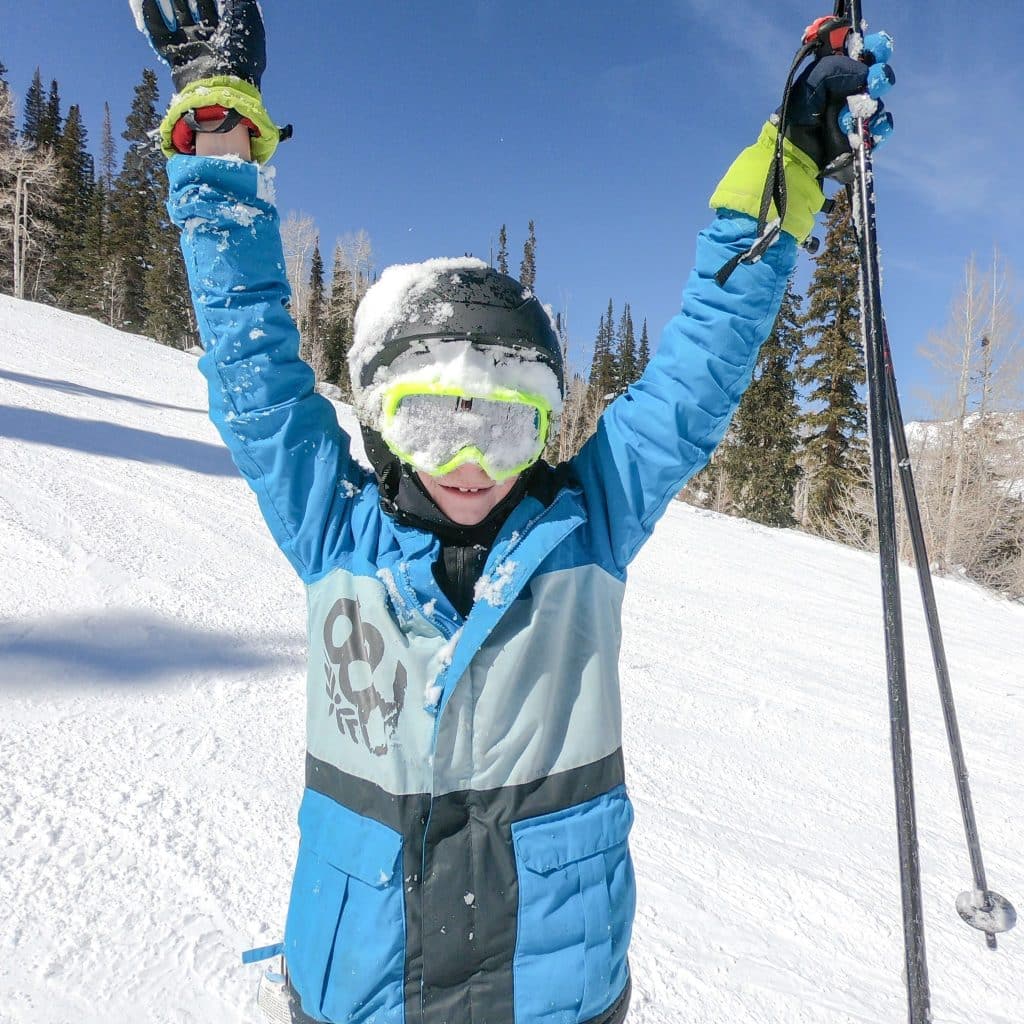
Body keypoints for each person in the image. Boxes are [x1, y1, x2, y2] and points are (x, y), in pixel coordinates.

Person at [131, 3, 894, 1022]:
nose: (467, 464)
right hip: (355, 996)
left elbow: (696, 371)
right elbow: (254, 368)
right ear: (377, 420)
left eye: (502, 426)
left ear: (546, 429)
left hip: (556, 999)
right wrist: (214, 123)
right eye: (432, 422)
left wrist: (790, 158)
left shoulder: (590, 527)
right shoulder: (334, 533)